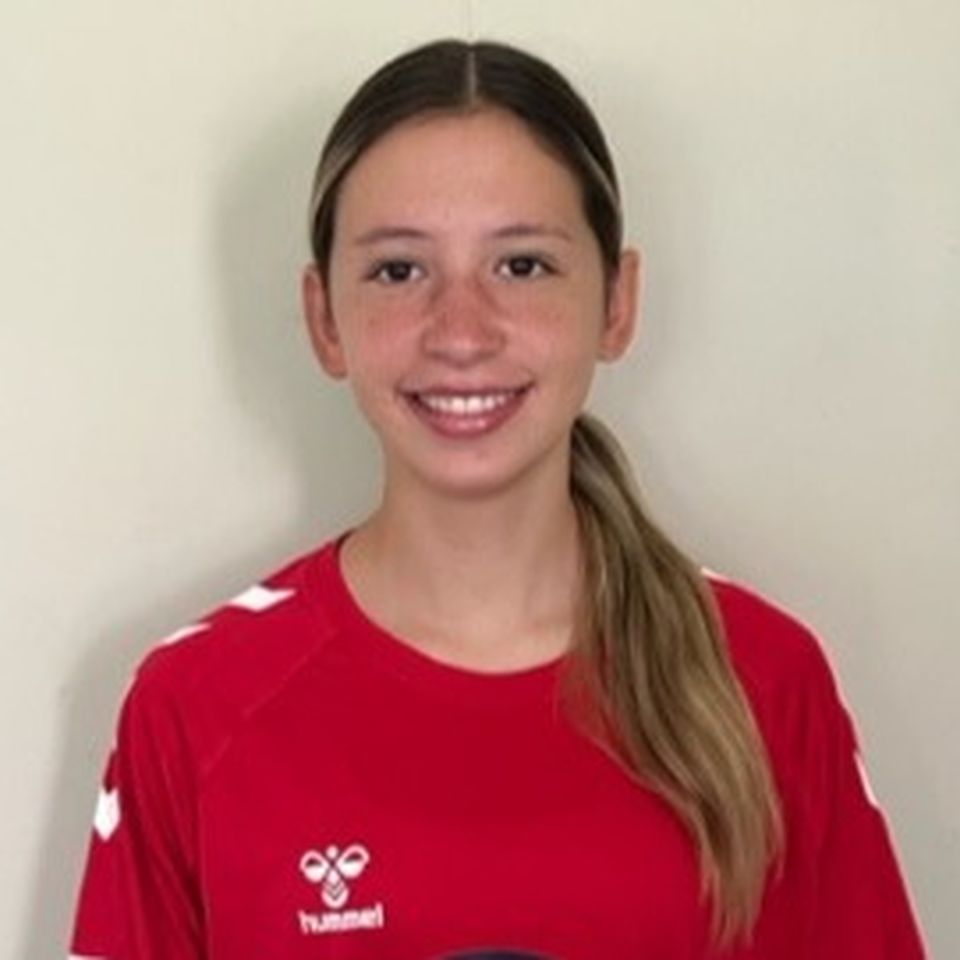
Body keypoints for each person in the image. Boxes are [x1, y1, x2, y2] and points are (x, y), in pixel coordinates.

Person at [67, 38, 926, 960]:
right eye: (400, 271)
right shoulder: (193, 705)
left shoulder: (766, 680)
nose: (462, 332)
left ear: (617, 303)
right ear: (324, 319)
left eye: (522, 265)